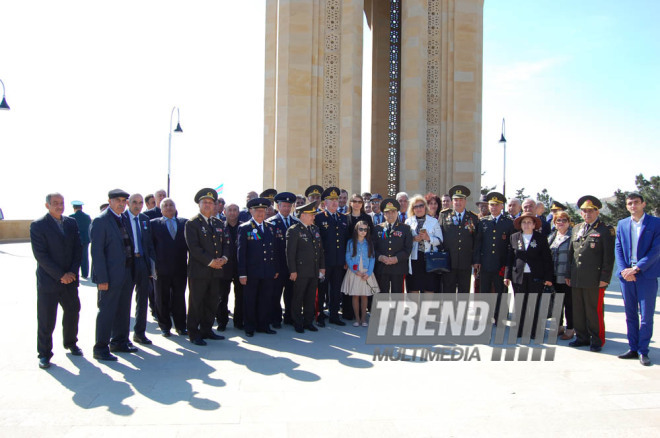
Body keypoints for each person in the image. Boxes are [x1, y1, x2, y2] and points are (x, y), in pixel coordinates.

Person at [31, 193, 83, 369]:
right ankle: (44, 354)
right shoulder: (38, 225)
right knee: (46, 318)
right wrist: (61, 275)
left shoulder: (71, 223)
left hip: (70, 280)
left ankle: (71, 343)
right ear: (47, 205)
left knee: (73, 311)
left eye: (61, 203)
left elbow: (78, 249)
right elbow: (41, 255)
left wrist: (72, 272)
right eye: (55, 203)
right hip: (49, 282)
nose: (59, 206)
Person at [91, 189, 138, 361]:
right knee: (107, 312)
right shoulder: (101, 221)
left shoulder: (123, 218)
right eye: (117, 200)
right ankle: (101, 347)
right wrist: (102, 279)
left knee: (123, 310)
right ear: (109, 201)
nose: (121, 203)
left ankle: (119, 342)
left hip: (126, 273)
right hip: (109, 276)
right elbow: (96, 253)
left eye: (124, 200)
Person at [615, 193, 660, 366]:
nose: (633, 206)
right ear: (627, 206)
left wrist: (637, 268)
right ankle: (633, 347)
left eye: (636, 203)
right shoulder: (622, 224)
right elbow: (618, 248)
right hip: (627, 276)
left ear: (643, 204)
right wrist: (625, 271)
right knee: (630, 314)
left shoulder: (655, 223)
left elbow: (656, 249)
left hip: (645, 274)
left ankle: (643, 350)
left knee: (646, 316)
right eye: (629, 203)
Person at [565, 195, 615, 353]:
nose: (587, 214)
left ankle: (597, 340)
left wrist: (605, 278)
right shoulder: (576, 228)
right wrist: (568, 274)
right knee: (578, 309)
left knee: (594, 311)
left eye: (591, 211)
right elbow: (571, 254)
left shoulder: (604, 230)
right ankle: (582, 337)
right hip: (577, 277)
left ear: (597, 212)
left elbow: (608, 257)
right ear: (581, 213)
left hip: (594, 279)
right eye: (584, 211)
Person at [184, 188, 228, 346]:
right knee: (196, 303)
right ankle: (193, 333)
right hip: (199, 271)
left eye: (211, 203)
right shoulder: (192, 223)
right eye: (205, 202)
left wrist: (224, 258)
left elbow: (226, 244)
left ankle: (207, 330)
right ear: (199, 205)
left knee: (212, 301)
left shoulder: (218, 223)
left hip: (216, 271)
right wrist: (211, 262)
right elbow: (194, 248)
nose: (208, 205)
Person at [504, 212, 553, 338]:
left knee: (533, 303)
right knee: (520, 303)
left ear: (534, 224)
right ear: (520, 225)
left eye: (529, 222)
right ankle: (519, 330)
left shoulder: (540, 238)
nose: (526, 225)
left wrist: (548, 277)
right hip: (518, 275)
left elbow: (547, 259)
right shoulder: (514, 237)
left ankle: (533, 330)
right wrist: (507, 275)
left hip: (535, 275)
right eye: (524, 222)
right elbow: (510, 257)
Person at [238, 197, 278, 337]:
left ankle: (263, 325)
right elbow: (241, 253)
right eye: (257, 211)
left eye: (263, 210)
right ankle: (249, 326)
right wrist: (242, 273)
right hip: (251, 272)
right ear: (251, 211)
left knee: (265, 299)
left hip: (267, 271)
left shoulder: (271, 228)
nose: (261, 213)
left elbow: (274, 250)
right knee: (250, 299)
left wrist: (275, 269)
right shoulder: (245, 228)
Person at [150, 197, 189, 337]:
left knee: (179, 298)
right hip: (160, 269)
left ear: (175, 207)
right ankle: (165, 326)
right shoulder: (153, 224)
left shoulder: (184, 223)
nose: (168, 207)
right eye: (165, 205)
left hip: (180, 268)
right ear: (161, 209)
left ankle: (181, 326)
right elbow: (150, 247)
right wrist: (152, 267)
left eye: (171, 204)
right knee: (162, 298)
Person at [286, 201, 325, 333]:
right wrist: (293, 271)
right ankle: (297, 322)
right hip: (300, 271)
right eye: (311, 215)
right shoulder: (294, 230)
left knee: (310, 297)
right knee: (298, 297)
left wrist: (321, 267)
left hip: (313, 270)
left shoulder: (314, 229)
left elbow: (320, 251)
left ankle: (308, 322)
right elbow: (290, 253)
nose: (314, 217)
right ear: (302, 215)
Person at [474, 192, 514, 316]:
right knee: (484, 291)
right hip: (485, 263)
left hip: (500, 264)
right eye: (491, 205)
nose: (493, 207)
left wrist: (508, 265)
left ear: (502, 206)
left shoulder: (508, 223)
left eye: (496, 205)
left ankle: (500, 315)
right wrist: (476, 260)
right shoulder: (484, 222)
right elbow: (478, 243)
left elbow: (510, 246)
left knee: (501, 291)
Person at [124, 193, 156, 345]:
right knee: (124, 301)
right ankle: (122, 336)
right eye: (134, 202)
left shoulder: (144, 219)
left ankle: (140, 333)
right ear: (128, 203)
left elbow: (149, 244)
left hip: (142, 263)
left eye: (140, 203)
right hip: (127, 265)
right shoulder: (121, 219)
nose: (137, 205)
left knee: (143, 299)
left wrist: (151, 268)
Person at [315, 187, 349, 326]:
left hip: (339, 261)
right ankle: (320, 315)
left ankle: (334, 315)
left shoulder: (343, 218)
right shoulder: (319, 217)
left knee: (336, 290)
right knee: (321, 290)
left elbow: (347, 240)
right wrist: (319, 263)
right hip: (325, 262)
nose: (335, 203)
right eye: (331, 200)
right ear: (325, 203)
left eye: (336, 200)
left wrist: (346, 260)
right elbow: (317, 242)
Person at [439, 185, 480, 294]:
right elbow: (440, 237)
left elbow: (476, 241)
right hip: (448, 261)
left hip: (465, 262)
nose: (458, 202)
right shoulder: (444, 216)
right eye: (455, 200)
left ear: (465, 201)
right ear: (452, 202)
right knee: (448, 290)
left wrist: (476, 260)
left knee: (464, 291)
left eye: (461, 199)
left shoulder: (473, 218)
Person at [267, 192, 299, 327]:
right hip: (278, 266)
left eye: (288, 206)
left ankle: (289, 317)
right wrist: (273, 267)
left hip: (292, 267)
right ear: (278, 206)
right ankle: (275, 318)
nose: (286, 208)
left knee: (291, 293)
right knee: (276, 293)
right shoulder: (271, 223)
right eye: (283, 206)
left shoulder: (296, 223)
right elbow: (270, 249)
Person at [342, 220, 379, 326]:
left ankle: (363, 319)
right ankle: (357, 319)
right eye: (361, 229)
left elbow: (372, 258)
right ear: (356, 230)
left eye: (365, 229)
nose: (363, 231)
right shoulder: (350, 242)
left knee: (364, 295)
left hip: (366, 271)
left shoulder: (369, 243)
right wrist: (354, 270)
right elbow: (348, 257)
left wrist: (369, 272)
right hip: (355, 271)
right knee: (355, 295)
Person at [372, 198, 413, 295]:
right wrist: (380, 257)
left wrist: (396, 258)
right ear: (383, 214)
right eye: (387, 212)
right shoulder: (377, 228)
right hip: (382, 267)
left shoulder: (405, 229)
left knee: (397, 295)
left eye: (393, 212)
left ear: (397, 212)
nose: (390, 214)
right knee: (382, 295)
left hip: (398, 267)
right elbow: (372, 248)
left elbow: (408, 249)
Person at [405, 195, 443, 294]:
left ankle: (426, 309)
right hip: (414, 259)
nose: (419, 209)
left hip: (429, 258)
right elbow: (404, 240)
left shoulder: (433, 221)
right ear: (412, 209)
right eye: (416, 207)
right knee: (414, 287)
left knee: (429, 287)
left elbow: (440, 240)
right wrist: (413, 239)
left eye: (421, 206)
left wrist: (428, 238)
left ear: (425, 207)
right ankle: (415, 309)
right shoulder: (408, 222)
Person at [217, 203, 244, 330]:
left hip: (240, 267)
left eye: (235, 210)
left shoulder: (244, 227)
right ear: (224, 212)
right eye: (230, 210)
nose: (232, 213)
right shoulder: (219, 227)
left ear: (238, 212)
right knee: (222, 296)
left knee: (240, 296)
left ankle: (239, 322)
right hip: (224, 267)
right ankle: (222, 322)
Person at [548, 210, 574, 340]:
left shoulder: (573, 236)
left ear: (569, 222)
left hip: (567, 276)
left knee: (569, 304)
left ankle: (570, 329)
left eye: (564, 220)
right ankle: (559, 326)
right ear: (555, 222)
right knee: (557, 303)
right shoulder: (552, 236)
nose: (561, 223)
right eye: (558, 220)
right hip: (554, 275)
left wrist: (570, 274)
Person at [70, 200, 91, 279]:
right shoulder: (87, 216)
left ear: (74, 208)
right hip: (85, 238)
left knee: (74, 257)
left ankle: (75, 273)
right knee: (85, 257)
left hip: (75, 239)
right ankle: (85, 273)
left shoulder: (71, 216)